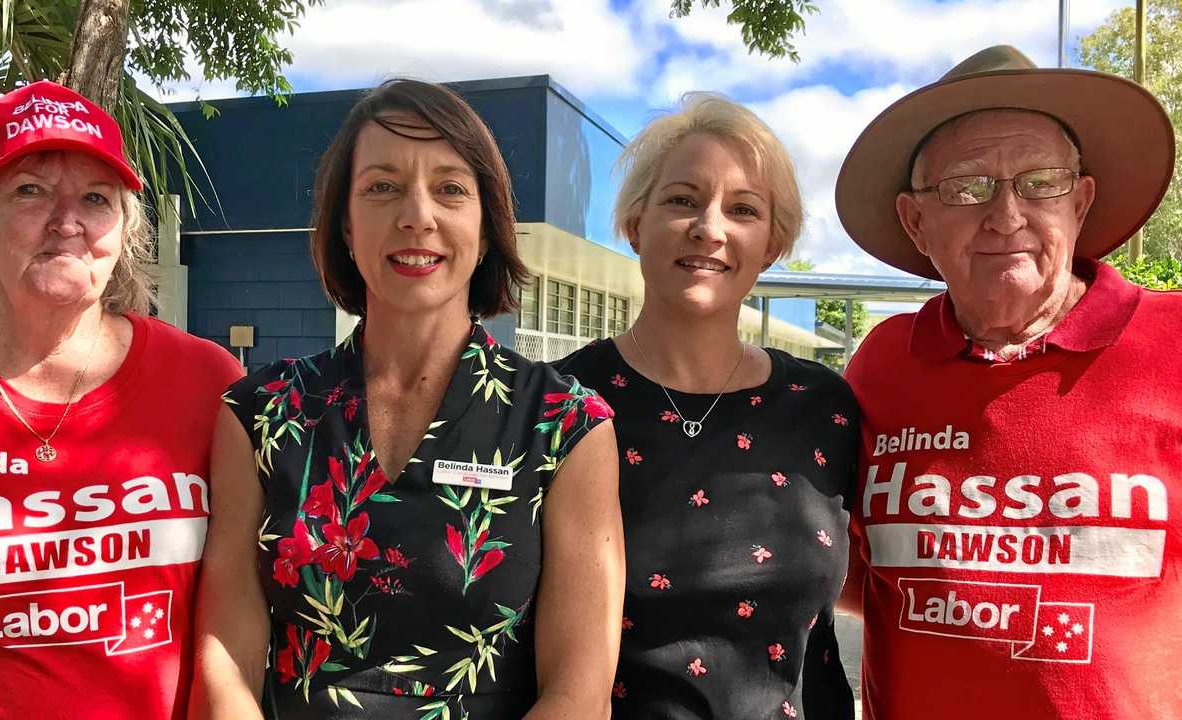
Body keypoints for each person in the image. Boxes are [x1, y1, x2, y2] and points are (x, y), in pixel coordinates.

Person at [190, 79, 624, 719]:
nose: (416, 214)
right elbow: (226, 655)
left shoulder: (565, 426)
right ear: (344, 223)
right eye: (382, 187)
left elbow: (580, 694)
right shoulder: (260, 414)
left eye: (450, 188)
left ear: (486, 224)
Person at [836, 45, 1181, 719]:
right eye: (967, 188)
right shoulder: (881, 364)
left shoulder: (1172, 345)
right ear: (917, 222)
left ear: (1080, 202)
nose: (1006, 216)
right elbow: (840, 565)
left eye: (1039, 183)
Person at [0, 80, 243, 718]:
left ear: (124, 232)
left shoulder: (208, 383)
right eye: (30, 191)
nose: (68, 222)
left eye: (96, 198)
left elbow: (238, 619)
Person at [555, 94, 858, 719]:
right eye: (681, 200)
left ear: (771, 245)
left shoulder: (824, 408)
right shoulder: (559, 405)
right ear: (635, 224)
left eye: (742, 209)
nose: (709, 228)